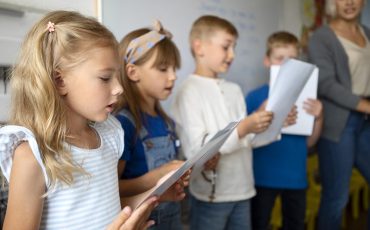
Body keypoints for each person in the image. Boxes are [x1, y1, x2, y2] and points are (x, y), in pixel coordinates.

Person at [0, 10, 160, 230]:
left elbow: (111, 210)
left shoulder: (110, 134)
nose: (119, 88)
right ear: (59, 81)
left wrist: (157, 192)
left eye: (117, 76)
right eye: (105, 78)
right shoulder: (33, 155)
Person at [171, 15, 273, 230]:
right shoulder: (188, 92)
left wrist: (266, 121)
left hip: (244, 189)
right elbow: (197, 150)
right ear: (199, 47)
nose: (232, 55)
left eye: (234, 47)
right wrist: (244, 127)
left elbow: (247, 140)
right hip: (211, 197)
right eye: (226, 47)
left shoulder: (234, 90)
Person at [246, 31, 323, 230]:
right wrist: (261, 112)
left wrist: (319, 117)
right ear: (267, 61)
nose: (286, 65)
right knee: (259, 223)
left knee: (295, 224)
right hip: (262, 177)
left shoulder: (307, 98)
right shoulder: (254, 97)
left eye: (292, 60)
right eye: (280, 59)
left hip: (296, 178)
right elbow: (245, 138)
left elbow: (311, 142)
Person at [115, 20, 185, 230]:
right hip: (144, 221)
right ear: (133, 72)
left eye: (174, 69)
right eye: (163, 68)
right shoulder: (123, 124)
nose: (173, 76)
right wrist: (156, 177)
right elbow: (111, 188)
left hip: (173, 216)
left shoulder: (168, 122)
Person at [307, 0, 370, 229]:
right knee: (337, 198)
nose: (350, 2)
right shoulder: (321, 38)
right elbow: (325, 84)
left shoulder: (367, 33)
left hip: (365, 122)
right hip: (338, 125)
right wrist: (364, 106)